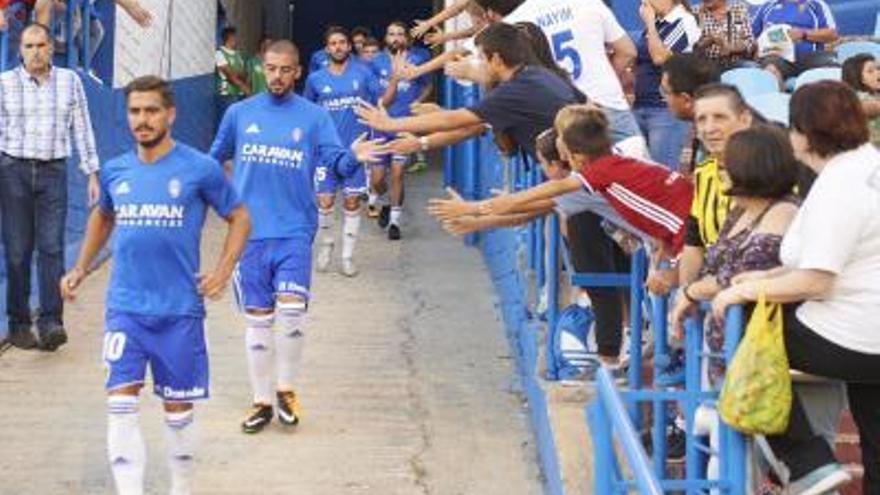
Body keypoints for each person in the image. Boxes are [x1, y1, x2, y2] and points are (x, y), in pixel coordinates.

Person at [59, 75, 251, 495]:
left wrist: (222, 271)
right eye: (134, 111)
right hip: (125, 310)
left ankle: (181, 487)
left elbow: (239, 216)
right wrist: (81, 267)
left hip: (179, 312)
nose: (141, 120)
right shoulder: (116, 171)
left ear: (170, 114)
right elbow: (103, 215)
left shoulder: (199, 168)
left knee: (177, 413)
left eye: (150, 111)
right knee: (120, 406)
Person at [209, 40, 386, 434]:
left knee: (291, 312)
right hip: (250, 235)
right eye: (271, 68)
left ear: (298, 72)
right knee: (258, 320)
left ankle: (286, 390)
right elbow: (213, 159)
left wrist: (353, 156)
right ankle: (260, 402)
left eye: (285, 69)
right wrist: (224, 200)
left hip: (293, 230)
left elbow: (335, 161)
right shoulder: (239, 113)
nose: (277, 76)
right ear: (262, 69)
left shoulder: (313, 117)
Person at [712, 81, 880, 495]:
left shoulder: (840, 185)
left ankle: (808, 462)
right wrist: (766, 278)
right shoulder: (869, 164)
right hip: (868, 333)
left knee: (753, 328)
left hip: (852, 334)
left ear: (804, 132)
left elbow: (818, 280)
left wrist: (743, 293)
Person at [0, 24, 99, 351]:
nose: (36, 52)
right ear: (20, 50)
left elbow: (82, 128)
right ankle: (18, 323)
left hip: (53, 173)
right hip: (13, 171)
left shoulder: (70, 82)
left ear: (51, 47)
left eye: (41, 44)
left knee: (52, 249)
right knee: (17, 251)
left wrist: (92, 174)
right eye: (29, 46)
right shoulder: (5, 84)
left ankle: (51, 322)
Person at [304, 26, 381, 276]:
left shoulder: (363, 73)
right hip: (325, 153)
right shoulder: (316, 79)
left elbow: (380, 102)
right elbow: (307, 113)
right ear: (327, 49)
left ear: (349, 46)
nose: (337, 47)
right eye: (333, 43)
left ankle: (347, 257)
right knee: (324, 203)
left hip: (356, 150)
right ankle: (326, 243)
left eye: (342, 42)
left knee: (351, 202)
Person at [365, 20, 433, 240]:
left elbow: (427, 84)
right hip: (381, 124)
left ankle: (395, 222)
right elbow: (373, 94)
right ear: (386, 38)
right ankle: (385, 202)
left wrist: (418, 102)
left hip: (405, 124)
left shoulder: (418, 58)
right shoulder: (376, 62)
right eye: (391, 34)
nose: (396, 38)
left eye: (400, 34)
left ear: (407, 37)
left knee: (397, 174)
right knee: (376, 180)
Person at [633, 0, 701, 169]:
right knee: (639, 172)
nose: (645, 2)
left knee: (663, 171)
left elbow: (660, 57)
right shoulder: (657, 24)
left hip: (664, 110)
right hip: (640, 105)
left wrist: (649, 22)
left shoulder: (683, 20)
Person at [751, 0, 838, 86]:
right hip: (778, 57)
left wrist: (803, 34)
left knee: (834, 65)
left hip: (810, 57)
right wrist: (762, 42)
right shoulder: (767, 6)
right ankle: (778, 98)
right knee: (770, 69)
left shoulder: (817, 4)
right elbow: (752, 37)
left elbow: (832, 34)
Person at [659, 53, 720, 173]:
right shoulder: (700, 128)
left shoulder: (716, 141)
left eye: (665, 92)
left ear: (686, 100)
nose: (664, 99)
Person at [692, 0, 755, 70]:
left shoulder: (738, 9)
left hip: (735, 62)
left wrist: (731, 48)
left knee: (752, 67)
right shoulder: (696, 12)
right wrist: (709, 41)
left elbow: (750, 42)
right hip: (707, 64)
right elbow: (691, 47)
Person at [841, 53, 880, 146]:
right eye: (870, 71)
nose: (878, 72)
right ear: (858, 77)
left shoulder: (876, 94)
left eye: (878, 68)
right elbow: (865, 107)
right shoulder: (856, 96)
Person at [215, 26, 250, 126]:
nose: (236, 40)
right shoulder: (219, 53)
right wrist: (246, 89)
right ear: (229, 38)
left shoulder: (237, 54)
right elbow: (230, 76)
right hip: (227, 94)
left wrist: (236, 74)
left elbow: (243, 73)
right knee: (226, 122)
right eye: (234, 37)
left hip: (238, 93)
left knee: (236, 122)